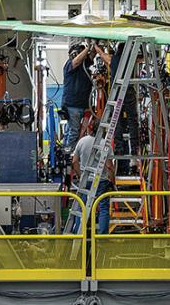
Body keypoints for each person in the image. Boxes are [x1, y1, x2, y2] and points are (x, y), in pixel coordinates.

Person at [95, 43, 140, 171]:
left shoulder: (113, 59)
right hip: (129, 91)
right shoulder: (131, 59)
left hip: (116, 93)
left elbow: (103, 56)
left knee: (116, 121)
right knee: (132, 121)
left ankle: (119, 150)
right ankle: (134, 151)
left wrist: (96, 47)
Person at [72, 122, 115, 235]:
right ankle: (102, 236)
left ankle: (79, 233)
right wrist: (113, 181)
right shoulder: (105, 144)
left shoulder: (82, 142)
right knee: (103, 208)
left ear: (91, 129)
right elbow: (109, 166)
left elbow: (74, 161)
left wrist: (81, 175)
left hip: (86, 181)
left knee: (82, 208)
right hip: (101, 181)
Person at [62, 42, 95, 153]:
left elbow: (91, 56)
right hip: (73, 105)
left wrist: (95, 46)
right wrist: (88, 48)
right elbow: (76, 61)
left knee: (80, 132)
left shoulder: (85, 66)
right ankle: (70, 154)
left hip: (84, 104)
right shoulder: (69, 65)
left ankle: (73, 153)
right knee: (73, 132)